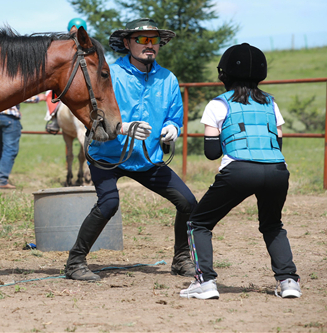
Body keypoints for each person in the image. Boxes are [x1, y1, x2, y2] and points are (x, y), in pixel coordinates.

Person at [65, 18, 197, 281]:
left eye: (154, 40)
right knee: (109, 203)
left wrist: (172, 129)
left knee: (189, 203)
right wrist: (122, 127)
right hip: (107, 156)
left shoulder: (168, 79)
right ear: (127, 43)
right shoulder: (109, 73)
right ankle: (74, 262)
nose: (150, 45)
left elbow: (173, 115)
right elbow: (94, 115)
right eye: (143, 40)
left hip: (147, 159)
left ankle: (181, 259)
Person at [180, 43, 301, 300]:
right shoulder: (271, 103)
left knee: (198, 223)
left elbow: (212, 153)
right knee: (272, 224)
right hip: (278, 170)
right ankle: (289, 281)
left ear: (224, 74)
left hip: (239, 170)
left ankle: (205, 282)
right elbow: (276, 143)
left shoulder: (218, 105)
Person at [44, 18, 88, 134]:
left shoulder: (87, 44)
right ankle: (54, 119)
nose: (74, 32)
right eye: (72, 30)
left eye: (76, 30)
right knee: (50, 93)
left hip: (82, 77)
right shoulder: (64, 43)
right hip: (68, 78)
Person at [0, 95, 44, 189]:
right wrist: (39, 98)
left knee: (0, 148)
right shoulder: (11, 80)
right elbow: (22, 95)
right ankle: (2, 180)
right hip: (9, 119)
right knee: (10, 149)